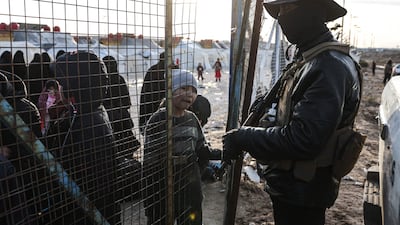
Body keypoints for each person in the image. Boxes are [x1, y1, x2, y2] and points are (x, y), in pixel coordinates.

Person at [222, 1, 362, 225]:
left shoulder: (328, 66)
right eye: (280, 11)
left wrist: (244, 136)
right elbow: (295, 111)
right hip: (295, 187)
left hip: (304, 191)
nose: (281, 18)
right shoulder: (310, 58)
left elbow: (305, 138)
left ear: (312, 10)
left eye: (288, 9)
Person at [46, 51, 121, 225]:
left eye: (62, 84)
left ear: (76, 88)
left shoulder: (89, 124)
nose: (59, 90)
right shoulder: (86, 113)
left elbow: (94, 185)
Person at [143, 69, 210, 225]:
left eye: (193, 90)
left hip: (190, 185)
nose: (190, 94)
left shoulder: (192, 119)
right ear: (170, 90)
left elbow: (201, 146)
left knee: (191, 219)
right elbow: (149, 161)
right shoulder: (158, 120)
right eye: (184, 88)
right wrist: (149, 195)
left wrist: (206, 159)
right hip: (163, 184)